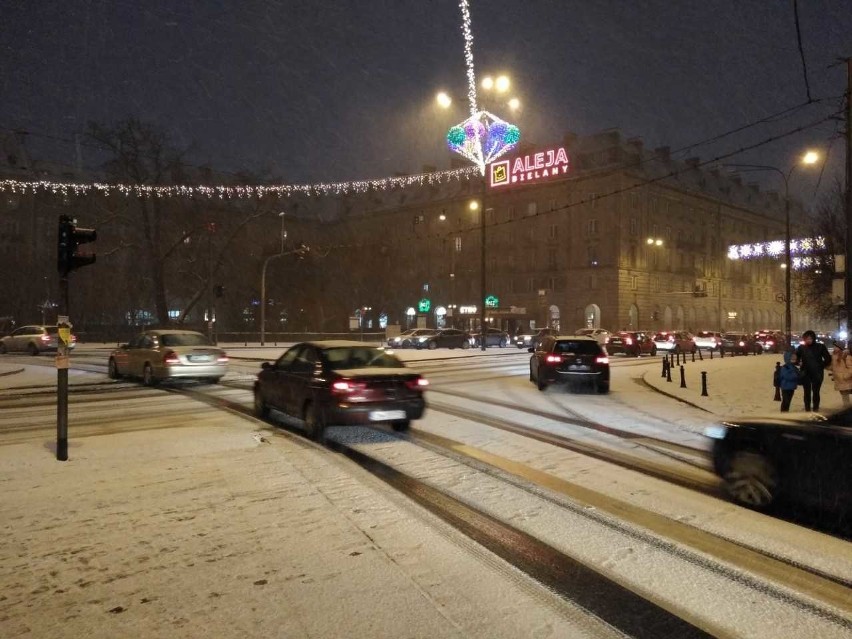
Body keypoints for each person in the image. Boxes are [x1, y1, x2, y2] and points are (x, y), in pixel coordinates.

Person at [794, 330, 832, 411]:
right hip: (806, 372)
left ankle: (815, 408)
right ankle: (807, 408)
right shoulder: (801, 348)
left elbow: (828, 358)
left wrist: (821, 365)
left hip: (817, 373)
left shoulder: (820, 346)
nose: (808, 340)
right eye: (806, 339)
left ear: (813, 338)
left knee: (816, 392)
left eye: (810, 338)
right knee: (806, 392)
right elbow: (795, 358)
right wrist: (798, 362)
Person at [829, 342, 852, 406]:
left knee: (846, 394)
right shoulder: (834, 356)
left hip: (846, 379)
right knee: (844, 395)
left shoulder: (846, 356)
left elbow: (851, 368)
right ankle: (846, 407)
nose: (834, 348)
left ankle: (847, 408)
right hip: (839, 379)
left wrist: (846, 376)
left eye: (836, 347)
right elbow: (833, 366)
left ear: (840, 348)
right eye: (834, 346)